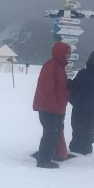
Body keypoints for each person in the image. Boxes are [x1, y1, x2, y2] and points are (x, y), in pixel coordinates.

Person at [32, 41, 71, 169]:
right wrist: (53, 106)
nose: (68, 56)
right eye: (67, 53)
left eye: (69, 53)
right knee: (50, 133)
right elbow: (45, 88)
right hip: (48, 108)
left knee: (54, 132)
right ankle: (43, 159)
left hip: (56, 109)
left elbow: (59, 89)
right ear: (60, 53)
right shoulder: (51, 65)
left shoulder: (59, 67)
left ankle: (48, 155)